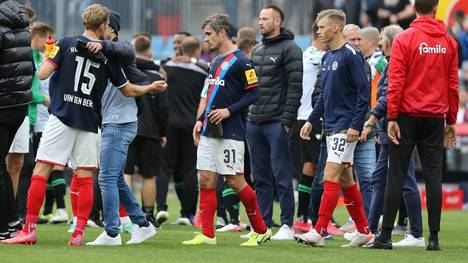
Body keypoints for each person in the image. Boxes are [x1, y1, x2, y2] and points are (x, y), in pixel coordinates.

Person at [3, 4, 164, 246]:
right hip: (90, 121)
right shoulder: (106, 56)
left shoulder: (66, 42)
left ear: (84, 22)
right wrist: (150, 88)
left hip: (63, 115)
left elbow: (43, 74)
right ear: (102, 26)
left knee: (41, 171)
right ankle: (78, 233)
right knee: (86, 175)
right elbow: (128, 89)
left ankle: (30, 229)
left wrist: (50, 57)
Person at [371, 0, 459, 251]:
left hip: (407, 115)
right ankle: (433, 238)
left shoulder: (405, 38)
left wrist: (393, 117)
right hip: (434, 117)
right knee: (433, 177)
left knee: (396, 173)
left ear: (415, 9)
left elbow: (396, 80)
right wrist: (450, 120)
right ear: (435, 9)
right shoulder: (448, 42)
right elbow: (452, 85)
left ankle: (385, 236)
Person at [183, 13, 270, 246]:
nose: (205, 39)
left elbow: (254, 92)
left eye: (209, 34)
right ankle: (208, 234)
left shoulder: (241, 61)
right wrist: (200, 119)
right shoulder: (215, 61)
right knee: (206, 179)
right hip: (210, 130)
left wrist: (229, 111)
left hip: (230, 131)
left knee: (235, 180)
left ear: (222, 33)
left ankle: (261, 230)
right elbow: (211, 95)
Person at [86, 10, 166, 246]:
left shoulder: (120, 51)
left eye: (104, 24)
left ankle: (112, 232)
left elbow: (126, 51)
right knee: (117, 178)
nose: (100, 28)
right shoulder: (105, 54)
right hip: (115, 121)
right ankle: (142, 225)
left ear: (112, 30)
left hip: (120, 122)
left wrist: (100, 44)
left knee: (106, 177)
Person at [296, 9, 372, 247]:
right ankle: (364, 231)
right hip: (330, 127)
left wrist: (356, 125)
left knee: (329, 175)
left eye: (321, 27)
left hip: (344, 128)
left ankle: (318, 231)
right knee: (347, 181)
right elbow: (324, 96)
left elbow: (363, 94)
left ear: (335, 28)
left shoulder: (351, 55)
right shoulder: (328, 57)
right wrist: (311, 119)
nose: (318, 31)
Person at [353, 25, 425, 248]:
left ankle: (416, 233)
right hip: (389, 129)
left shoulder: (397, 63)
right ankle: (370, 230)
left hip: (397, 128)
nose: (380, 43)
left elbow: (387, 97)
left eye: (383, 39)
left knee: (405, 180)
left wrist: (370, 121)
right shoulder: (391, 62)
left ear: (390, 41)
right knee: (379, 179)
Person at [246, 4, 303, 240]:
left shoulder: (291, 49)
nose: (260, 22)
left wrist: (287, 121)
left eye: (265, 18)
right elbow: (249, 86)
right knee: (259, 177)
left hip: (276, 123)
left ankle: (287, 225)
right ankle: (263, 225)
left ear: (277, 21)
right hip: (254, 121)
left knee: (282, 174)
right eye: (259, 18)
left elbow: (295, 88)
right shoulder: (257, 49)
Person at [158, 36, 208, 225]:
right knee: (189, 170)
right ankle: (187, 214)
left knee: (164, 168)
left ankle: (161, 208)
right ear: (197, 50)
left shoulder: (166, 68)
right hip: (190, 126)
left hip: (169, 124)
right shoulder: (202, 72)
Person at [124, 34, 168, 227]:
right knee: (149, 175)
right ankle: (148, 215)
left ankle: (124, 214)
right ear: (150, 51)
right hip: (150, 131)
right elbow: (164, 108)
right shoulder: (158, 76)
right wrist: (163, 132)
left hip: (127, 127)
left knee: (126, 173)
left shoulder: (126, 72)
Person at [0, 0, 35, 240]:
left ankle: (3, 229)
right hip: (18, 107)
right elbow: (29, 67)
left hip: (2, 104)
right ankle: (12, 224)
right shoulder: (21, 28)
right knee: (2, 169)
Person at [291, 23, 326, 233]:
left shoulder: (307, 55)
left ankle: (308, 217)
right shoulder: (315, 57)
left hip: (305, 117)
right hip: (310, 118)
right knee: (315, 168)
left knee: (313, 167)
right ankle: (308, 217)